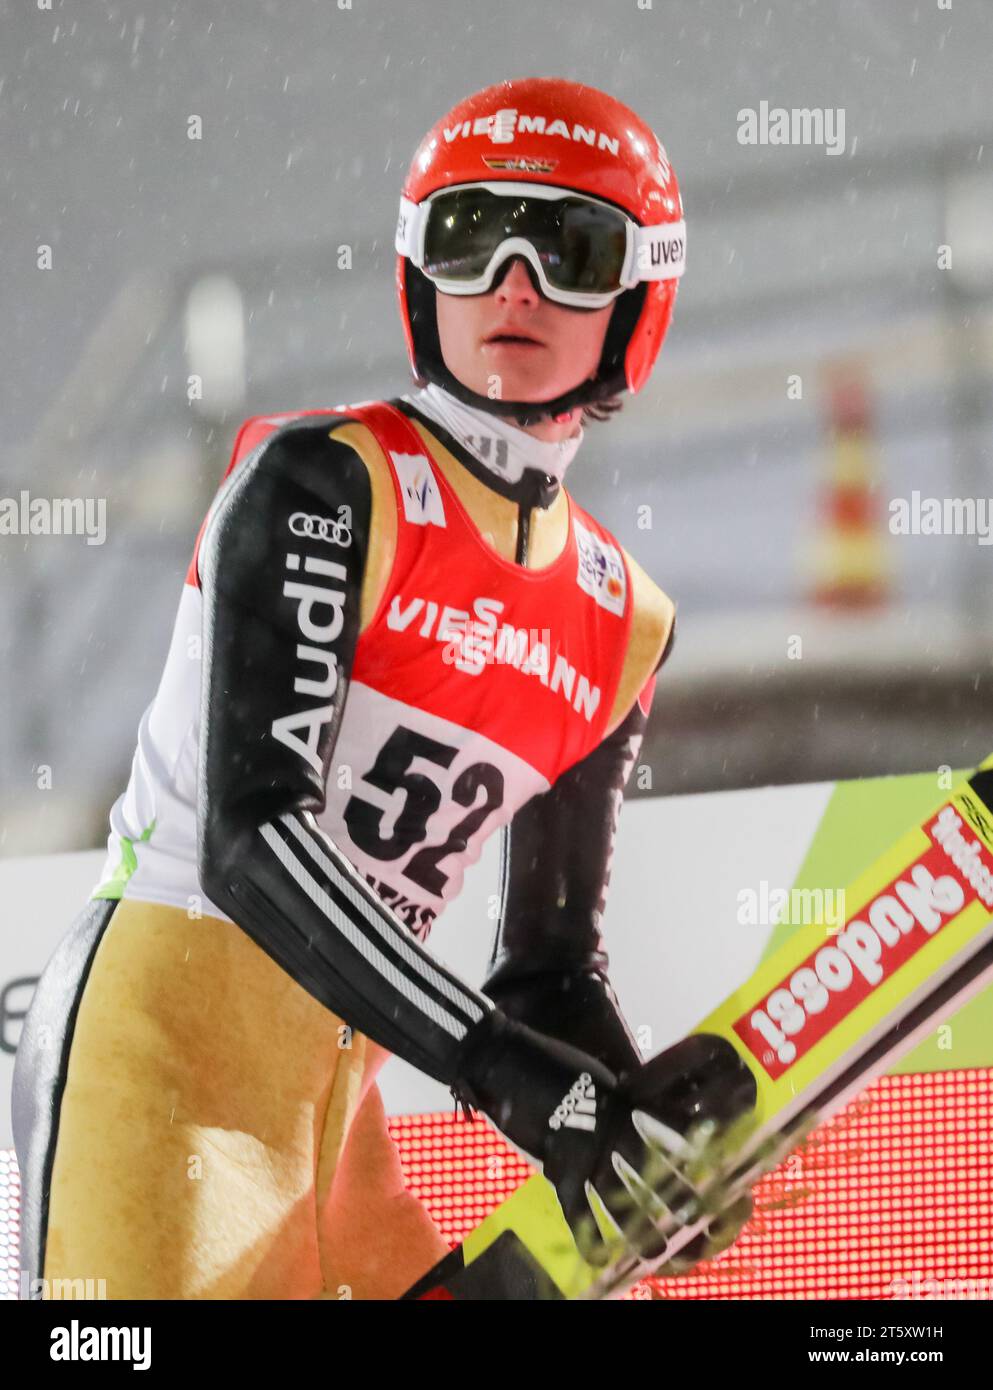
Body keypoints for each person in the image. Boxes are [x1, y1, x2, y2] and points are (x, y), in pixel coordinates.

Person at [12, 76, 755, 1301]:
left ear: (638, 299)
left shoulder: (626, 620)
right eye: (475, 237)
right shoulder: (330, 479)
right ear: (422, 276)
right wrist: (523, 1081)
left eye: (569, 248)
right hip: (155, 1067)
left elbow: (549, 973)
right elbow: (252, 842)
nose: (515, 282)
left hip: (338, 1117)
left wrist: (632, 1127)